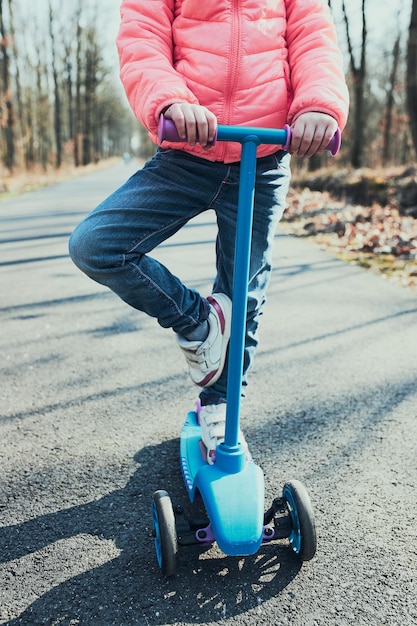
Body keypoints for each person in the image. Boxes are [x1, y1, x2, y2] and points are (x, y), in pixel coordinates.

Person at [69, 0, 349, 463]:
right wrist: (171, 100)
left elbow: (313, 39)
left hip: (264, 157)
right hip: (187, 153)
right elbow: (143, 42)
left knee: (244, 293)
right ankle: (198, 319)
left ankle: (220, 408)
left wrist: (318, 106)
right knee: (97, 244)